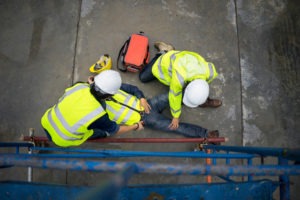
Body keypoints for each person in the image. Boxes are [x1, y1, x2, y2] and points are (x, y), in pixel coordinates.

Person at [87, 76, 220, 140]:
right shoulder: (98, 113)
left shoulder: (110, 86)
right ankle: (206, 134)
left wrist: (142, 98)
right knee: (175, 126)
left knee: (174, 95)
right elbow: (104, 131)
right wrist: (135, 126)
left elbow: (133, 89)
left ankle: (199, 99)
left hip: (148, 104)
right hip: (145, 119)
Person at [41, 70, 144, 147]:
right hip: (62, 139)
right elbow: (116, 130)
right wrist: (135, 126)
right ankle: (102, 134)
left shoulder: (79, 86)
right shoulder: (98, 114)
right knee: (103, 132)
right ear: (108, 96)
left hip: (46, 120)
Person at [139, 42, 222, 130]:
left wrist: (201, 96)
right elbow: (174, 96)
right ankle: (164, 51)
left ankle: (204, 100)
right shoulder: (179, 78)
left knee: (198, 91)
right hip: (164, 62)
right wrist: (176, 116)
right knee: (143, 77)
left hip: (181, 60)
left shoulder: (210, 72)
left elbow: (202, 87)